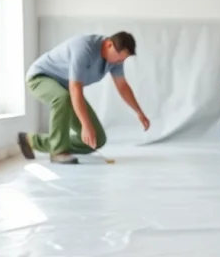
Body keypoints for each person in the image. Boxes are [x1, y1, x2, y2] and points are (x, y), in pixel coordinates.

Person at [17, 31, 150, 164]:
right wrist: (86, 125)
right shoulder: (84, 48)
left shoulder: (115, 61)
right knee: (63, 98)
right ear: (109, 44)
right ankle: (58, 151)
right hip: (40, 77)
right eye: (120, 58)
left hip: (67, 89)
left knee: (96, 139)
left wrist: (139, 112)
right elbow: (75, 88)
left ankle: (31, 140)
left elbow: (122, 86)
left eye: (123, 60)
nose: (120, 62)